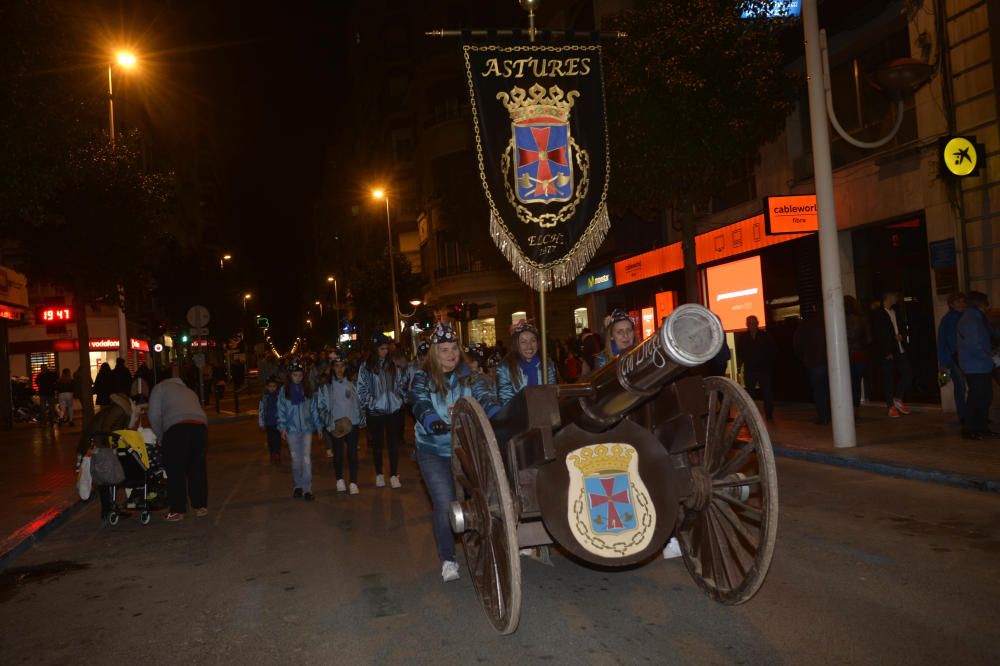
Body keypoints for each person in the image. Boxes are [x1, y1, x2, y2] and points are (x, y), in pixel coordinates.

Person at [409, 322, 500, 582]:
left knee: (484, 498)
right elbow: (419, 400)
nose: (450, 355)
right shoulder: (422, 377)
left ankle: (485, 543)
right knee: (444, 502)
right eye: (444, 350)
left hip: (466, 449)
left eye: (454, 349)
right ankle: (448, 559)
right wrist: (429, 419)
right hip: (433, 450)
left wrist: (496, 414)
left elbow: (484, 395)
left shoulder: (469, 376)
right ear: (434, 354)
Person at [148, 363, 209, 522]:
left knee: (175, 470)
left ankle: (178, 510)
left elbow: (153, 414)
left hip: (176, 429)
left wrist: (161, 435)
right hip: (199, 428)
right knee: (197, 468)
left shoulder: (160, 388)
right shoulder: (189, 391)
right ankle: (200, 506)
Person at [357, 334, 406, 489]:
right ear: (375, 349)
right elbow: (361, 389)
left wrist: (397, 398)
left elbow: (399, 384)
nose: (385, 351)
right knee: (377, 445)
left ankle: (393, 475)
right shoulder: (366, 367)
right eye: (382, 348)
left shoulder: (393, 365)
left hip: (392, 411)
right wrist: (373, 403)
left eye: (387, 348)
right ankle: (379, 474)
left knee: (393, 444)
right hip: (375, 412)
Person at [319, 351, 364, 495]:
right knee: (338, 455)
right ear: (332, 367)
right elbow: (321, 406)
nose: (339, 369)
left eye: (342, 366)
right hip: (336, 425)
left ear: (346, 367)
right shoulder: (327, 386)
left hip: (353, 423)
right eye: (336, 366)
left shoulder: (351, 383)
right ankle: (339, 480)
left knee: (352, 455)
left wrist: (360, 419)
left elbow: (358, 402)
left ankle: (353, 482)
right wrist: (329, 424)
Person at [277, 358, 321, 500]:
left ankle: (307, 489)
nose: (298, 378)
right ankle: (298, 486)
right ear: (290, 376)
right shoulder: (284, 391)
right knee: (296, 460)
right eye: (295, 375)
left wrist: (319, 426)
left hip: (307, 429)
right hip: (292, 430)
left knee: (306, 459)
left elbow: (314, 409)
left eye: (300, 375)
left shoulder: (307, 390)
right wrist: (282, 427)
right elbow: (281, 410)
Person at [957, 291, 997, 439]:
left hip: (979, 365)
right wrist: (990, 357)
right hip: (976, 366)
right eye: (987, 303)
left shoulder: (975, 318)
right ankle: (970, 430)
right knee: (977, 399)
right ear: (980, 304)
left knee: (984, 397)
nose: (989, 306)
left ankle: (981, 429)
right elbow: (974, 345)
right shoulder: (971, 320)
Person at [871, 290, 913, 418]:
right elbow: (879, 335)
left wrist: (902, 336)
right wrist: (887, 351)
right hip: (889, 351)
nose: (896, 298)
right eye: (895, 296)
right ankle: (890, 406)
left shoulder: (896, 312)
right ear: (888, 297)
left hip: (900, 349)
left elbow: (902, 328)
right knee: (888, 379)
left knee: (908, 374)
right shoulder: (878, 313)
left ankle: (898, 398)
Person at [496, 320, 557, 405]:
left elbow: (552, 393)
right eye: (523, 342)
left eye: (533, 340)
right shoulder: (505, 367)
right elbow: (505, 399)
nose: (529, 346)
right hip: (517, 414)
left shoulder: (547, 364)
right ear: (516, 344)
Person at [736, 315, 776, 421]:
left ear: (757, 323)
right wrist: (746, 361)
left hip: (764, 369)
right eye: (749, 323)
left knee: (767, 392)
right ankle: (751, 416)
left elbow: (772, 350)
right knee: (750, 393)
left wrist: (767, 362)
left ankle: (769, 414)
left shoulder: (765, 335)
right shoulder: (743, 337)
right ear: (747, 324)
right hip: (750, 369)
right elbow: (740, 352)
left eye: (753, 323)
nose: (751, 325)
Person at [794, 306, 830, 425]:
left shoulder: (805, 325)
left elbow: (797, 344)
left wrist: (804, 358)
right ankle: (830, 415)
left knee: (819, 391)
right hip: (827, 362)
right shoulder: (827, 323)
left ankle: (823, 416)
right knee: (828, 390)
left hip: (813, 363)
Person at [938, 292, 967, 424]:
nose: (962, 304)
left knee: (961, 387)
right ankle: (964, 415)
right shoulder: (951, 319)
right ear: (951, 304)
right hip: (955, 359)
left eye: (963, 301)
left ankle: (966, 414)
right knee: (961, 387)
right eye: (958, 302)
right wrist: (944, 363)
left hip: (956, 358)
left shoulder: (960, 317)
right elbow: (949, 342)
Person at [844, 295, 870, 409]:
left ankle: (847, 406)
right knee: (857, 382)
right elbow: (869, 338)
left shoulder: (840, 319)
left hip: (845, 355)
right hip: (860, 354)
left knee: (846, 382)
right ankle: (856, 405)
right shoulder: (862, 319)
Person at [258, 375, 282, 465]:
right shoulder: (265, 397)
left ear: (277, 387)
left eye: (274, 386)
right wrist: (261, 422)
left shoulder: (279, 396)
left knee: (277, 438)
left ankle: (277, 453)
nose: (272, 388)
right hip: (269, 422)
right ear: (267, 387)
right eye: (270, 386)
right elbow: (261, 410)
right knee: (271, 439)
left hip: (278, 421)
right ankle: (272, 452)